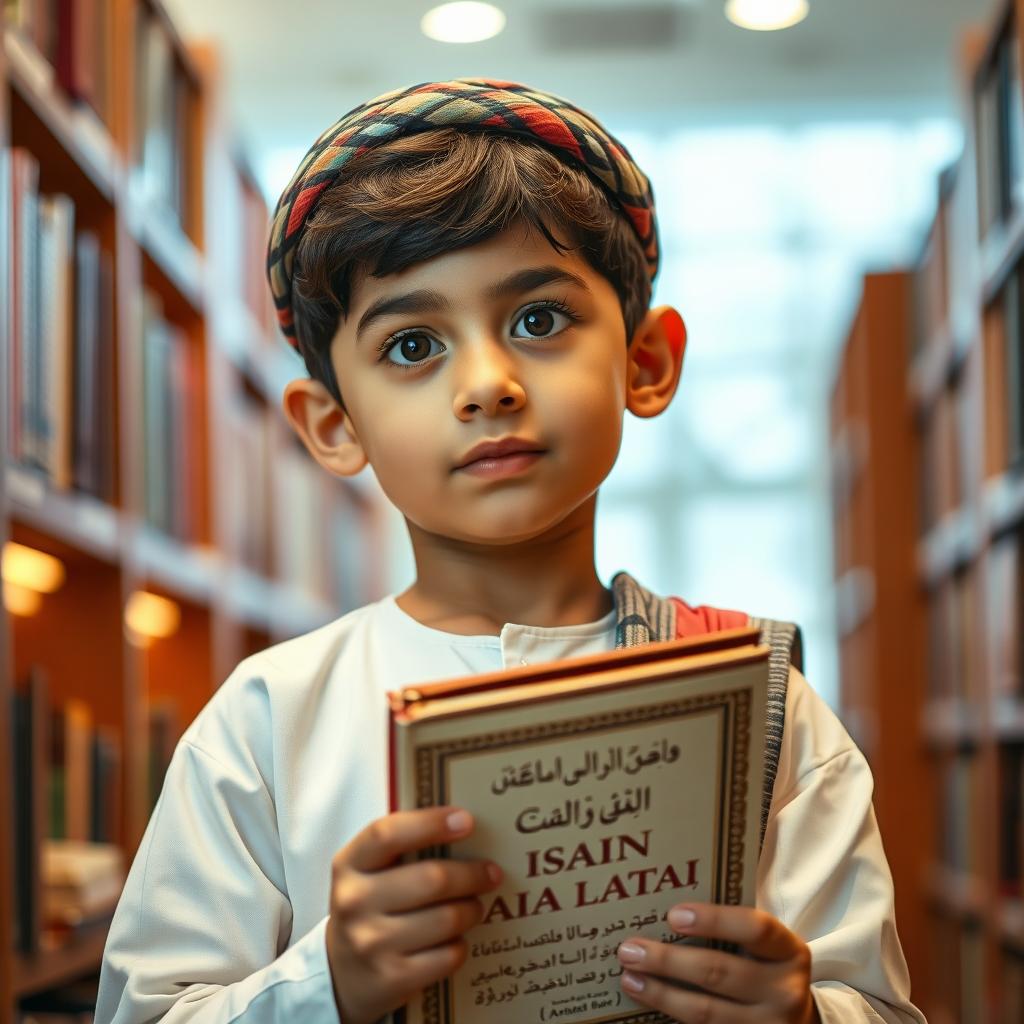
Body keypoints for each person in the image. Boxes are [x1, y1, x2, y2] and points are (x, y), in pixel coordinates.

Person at [95, 79, 925, 1024]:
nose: (486, 385)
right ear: (331, 424)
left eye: (538, 320)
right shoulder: (265, 721)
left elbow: (881, 1005)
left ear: (645, 365)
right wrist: (332, 980)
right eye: (413, 344)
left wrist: (803, 1013)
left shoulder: (763, 700)